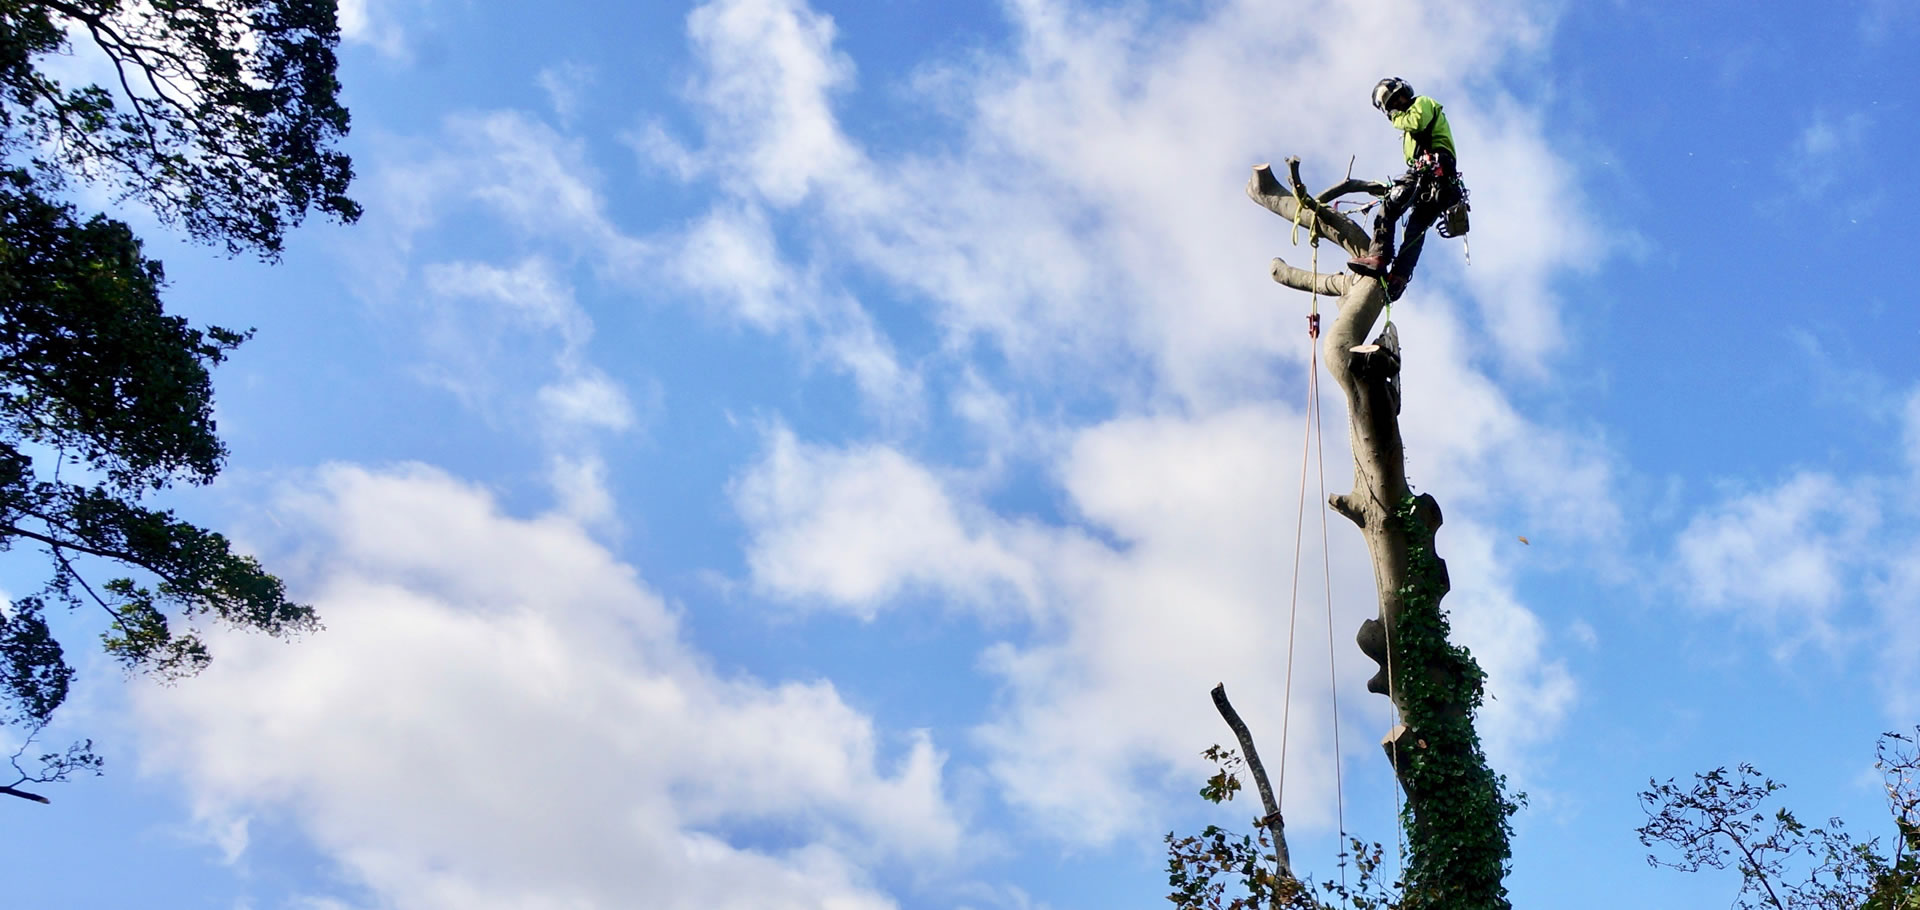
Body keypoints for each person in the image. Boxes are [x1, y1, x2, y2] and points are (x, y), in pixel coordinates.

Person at [1347, 77, 1463, 301]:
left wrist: (1395, 117)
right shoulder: (1408, 131)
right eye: (1392, 106)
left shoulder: (1421, 104)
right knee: (1415, 229)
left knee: (1389, 208)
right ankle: (1399, 277)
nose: (1396, 109)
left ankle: (1379, 257)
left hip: (1434, 170)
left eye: (1396, 102)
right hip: (1433, 179)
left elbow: (1417, 121)